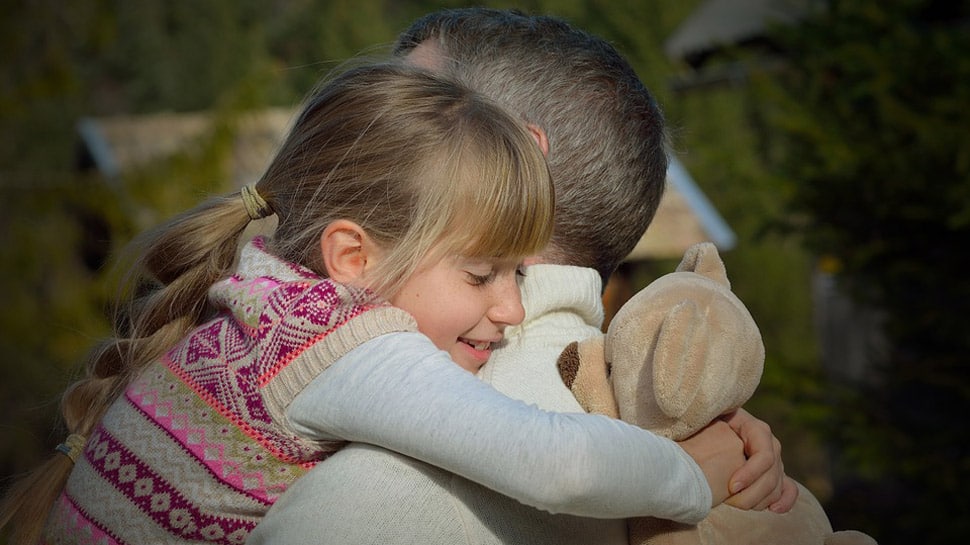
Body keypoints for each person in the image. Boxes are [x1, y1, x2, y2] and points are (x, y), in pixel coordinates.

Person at [0, 62, 746, 545]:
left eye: (519, 276)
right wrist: (690, 476)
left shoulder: (260, 294)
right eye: (484, 274)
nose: (514, 309)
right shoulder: (342, 346)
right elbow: (557, 463)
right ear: (354, 258)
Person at [249, 8, 797, 545]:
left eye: (409, 113)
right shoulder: (691, 441)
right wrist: (694, 444)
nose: (351, 144)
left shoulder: (368, 500)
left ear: (518, 157)